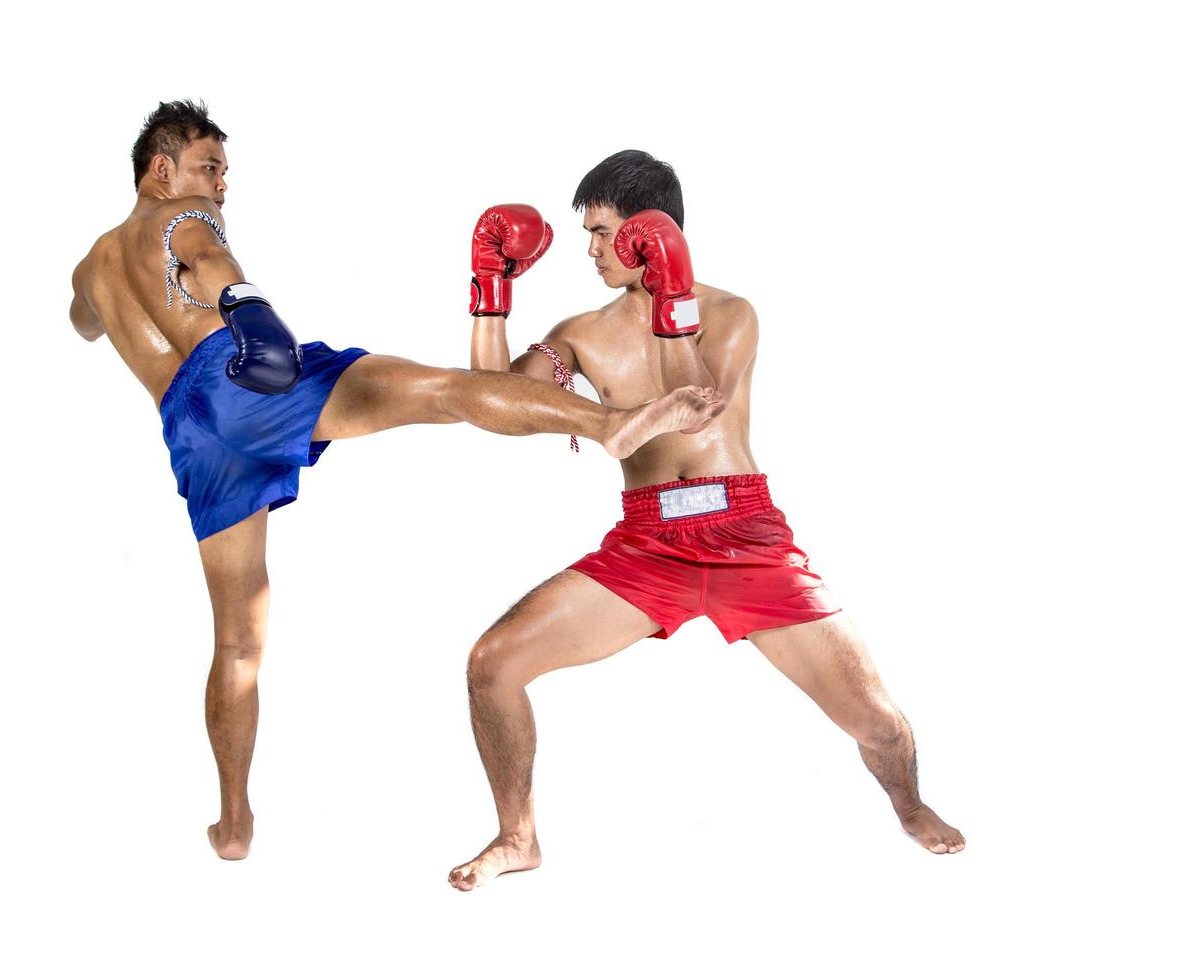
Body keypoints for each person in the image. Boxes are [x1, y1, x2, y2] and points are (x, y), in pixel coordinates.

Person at [69, 105, 723, 860]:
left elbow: (85, 320)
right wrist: (255, 319)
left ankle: (234, 821)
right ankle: (609, 425)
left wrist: (111, 306)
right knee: (443, 390)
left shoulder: (91, 267)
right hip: (242, 375)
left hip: (192, 432)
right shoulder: (181, 213)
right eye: (210, 167)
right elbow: (206, 259)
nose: (220, 189)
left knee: (239, 638)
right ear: (162, 168)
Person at [449, 150, 964, 891]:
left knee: (879, 723)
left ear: (648, 232)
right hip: (646, 543)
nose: (590, 251)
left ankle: (910, 806)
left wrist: (671, 287)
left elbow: (695, 408)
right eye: (587, 236)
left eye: (602, 233)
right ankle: (516, 836)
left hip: (745, 535)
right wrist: (489, 291)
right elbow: (493, 404)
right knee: (490, 664)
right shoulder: (581, 331)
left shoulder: (729, 313)